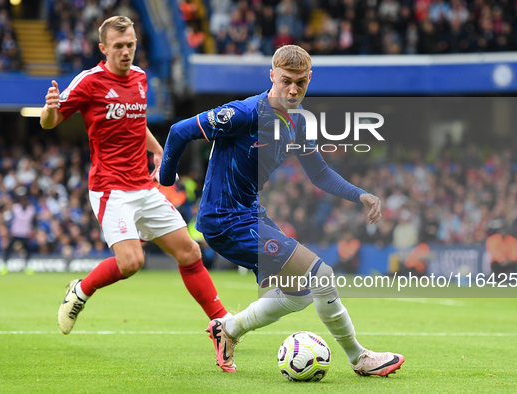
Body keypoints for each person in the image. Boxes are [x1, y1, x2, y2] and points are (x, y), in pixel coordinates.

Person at [159, 45, 404, 376]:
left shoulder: (297, 122)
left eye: (301, 83)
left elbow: (318, 173)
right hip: (225, 221)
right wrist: (166, 177)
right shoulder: (245, 113)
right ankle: (359, 358)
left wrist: (360, 195)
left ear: (309, 79)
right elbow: (179, 131)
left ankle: (227, 330)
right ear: (272, 75)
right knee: (322, 275)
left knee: (297, 293)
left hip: (250, 215)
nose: (293, 90)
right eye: (286, 81)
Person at [40, 16, 228, 335]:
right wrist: (49, 109)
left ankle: (223, 323)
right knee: (131, 262)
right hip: (110, 189)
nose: (126, 52)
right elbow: (50, 122)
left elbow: (135, 123)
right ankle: (81, 291)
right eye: (118, 47)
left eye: (130, 45)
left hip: (143, 185)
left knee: (189, 251)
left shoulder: (140, 78)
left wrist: (157, 151)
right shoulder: (89, 82)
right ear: (104, 48)